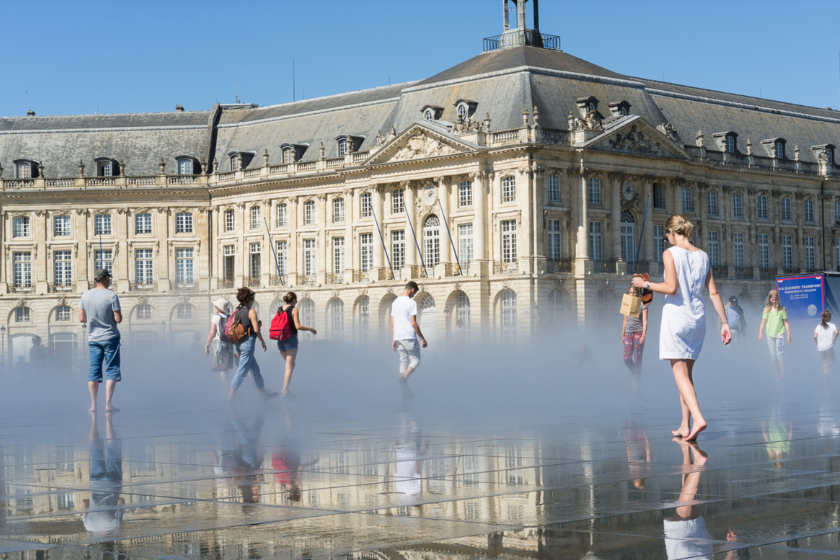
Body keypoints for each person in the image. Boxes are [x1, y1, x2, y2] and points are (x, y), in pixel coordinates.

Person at [632, 215, 731, 442]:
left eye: (666, 235)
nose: (666, 239)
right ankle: (684, 426)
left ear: (672, 232)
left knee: (679, 374)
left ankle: (697, 418)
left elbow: (671, 287)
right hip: (698, 319)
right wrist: (725, 323)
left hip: (677, 317)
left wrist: (644, 284)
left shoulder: (670, 253)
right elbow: (714, 293)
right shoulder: (704, 255)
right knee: (686, 375)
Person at [80, 269, 122, 413]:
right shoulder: (112, 295)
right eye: (108, 278)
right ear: (105, 278)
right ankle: (108, 405)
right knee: (111, 369)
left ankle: (93, 405)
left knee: (94, 370)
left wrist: (93, 318)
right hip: (110, 337)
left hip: (93, 338)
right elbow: (118, 319)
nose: (109, 280)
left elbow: (81, 318)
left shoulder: (85, 295)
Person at [228, 287, 277, 401]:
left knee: (255, 369)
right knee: (242, 371)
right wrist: (263, 341)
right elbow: (256, 330)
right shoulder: (251, 311)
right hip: (248, 343)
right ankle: (231, 396)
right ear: (250, 299)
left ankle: (264, 394)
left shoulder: (237, 311)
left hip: (239, 343)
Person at [276, 292, 317, 399]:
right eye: (296, 300)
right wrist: (310, 329)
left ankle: (286, 389)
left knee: (290, 365)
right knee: (289, 366)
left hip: (280, 339)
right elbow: (297, 326)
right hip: (290, 339)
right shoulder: (294, 309)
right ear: (294, 300)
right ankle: (284, 391)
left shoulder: (279, 309)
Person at [391, 281, 428, 389]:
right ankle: (404, 378)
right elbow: (413, 323)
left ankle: (404, 390)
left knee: (403, 361)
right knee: (416, 360)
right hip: (409, 336)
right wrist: (422, 338)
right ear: (412, 289)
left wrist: (394, 339)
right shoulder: (411, 303)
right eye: (414, 293)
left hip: (398, 337)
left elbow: (392, 324)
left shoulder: (395, 303)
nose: (413, 295)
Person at [758, 290, 791, 377]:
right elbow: (763, 322)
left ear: (778, 299)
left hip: (780, 334)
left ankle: (783, 375)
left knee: (780, 354)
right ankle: (777, 375)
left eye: (775, 299)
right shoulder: (766, 309)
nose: (774, 301)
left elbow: (786, 322)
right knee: (773, 355)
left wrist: (789, 334)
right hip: (770, 334)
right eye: (772, 299)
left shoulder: (782, 309)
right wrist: (760, 332)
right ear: (769, 299)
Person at [621, 286, 648, 376]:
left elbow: (645, 321)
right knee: (627, 358)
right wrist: (622, 334)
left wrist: (643, 335)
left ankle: (637, 380)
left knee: (637, 358)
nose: (632, 294)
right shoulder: (627, 303)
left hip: (638, 332)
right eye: (631, 292)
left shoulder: (643, 304)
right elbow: (625, 320)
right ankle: (635, 372)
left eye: (634, 292)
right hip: (628, 332)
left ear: (638, 293)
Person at [206, 298, 234, 387]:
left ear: (219, 308)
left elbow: (212, 333)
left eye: (216, 306)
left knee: (222, 368)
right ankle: (227, 386)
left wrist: (207, 345)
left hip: (219, 343)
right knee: (226, 368)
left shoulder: (216, 317)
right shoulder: (230, 317)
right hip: (229, 344)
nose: (215, 307)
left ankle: (225, 388)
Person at [814, 310, 838, 375]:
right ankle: (827, 367)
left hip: (820, 348)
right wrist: (834, 339)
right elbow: (837, 332)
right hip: (829, 347)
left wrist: (817, 343)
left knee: (825, 362)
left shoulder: (818, 326)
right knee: (833, 361)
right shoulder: (832, 325)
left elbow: (814, 337)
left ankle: (825, 379)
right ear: (829, 318)